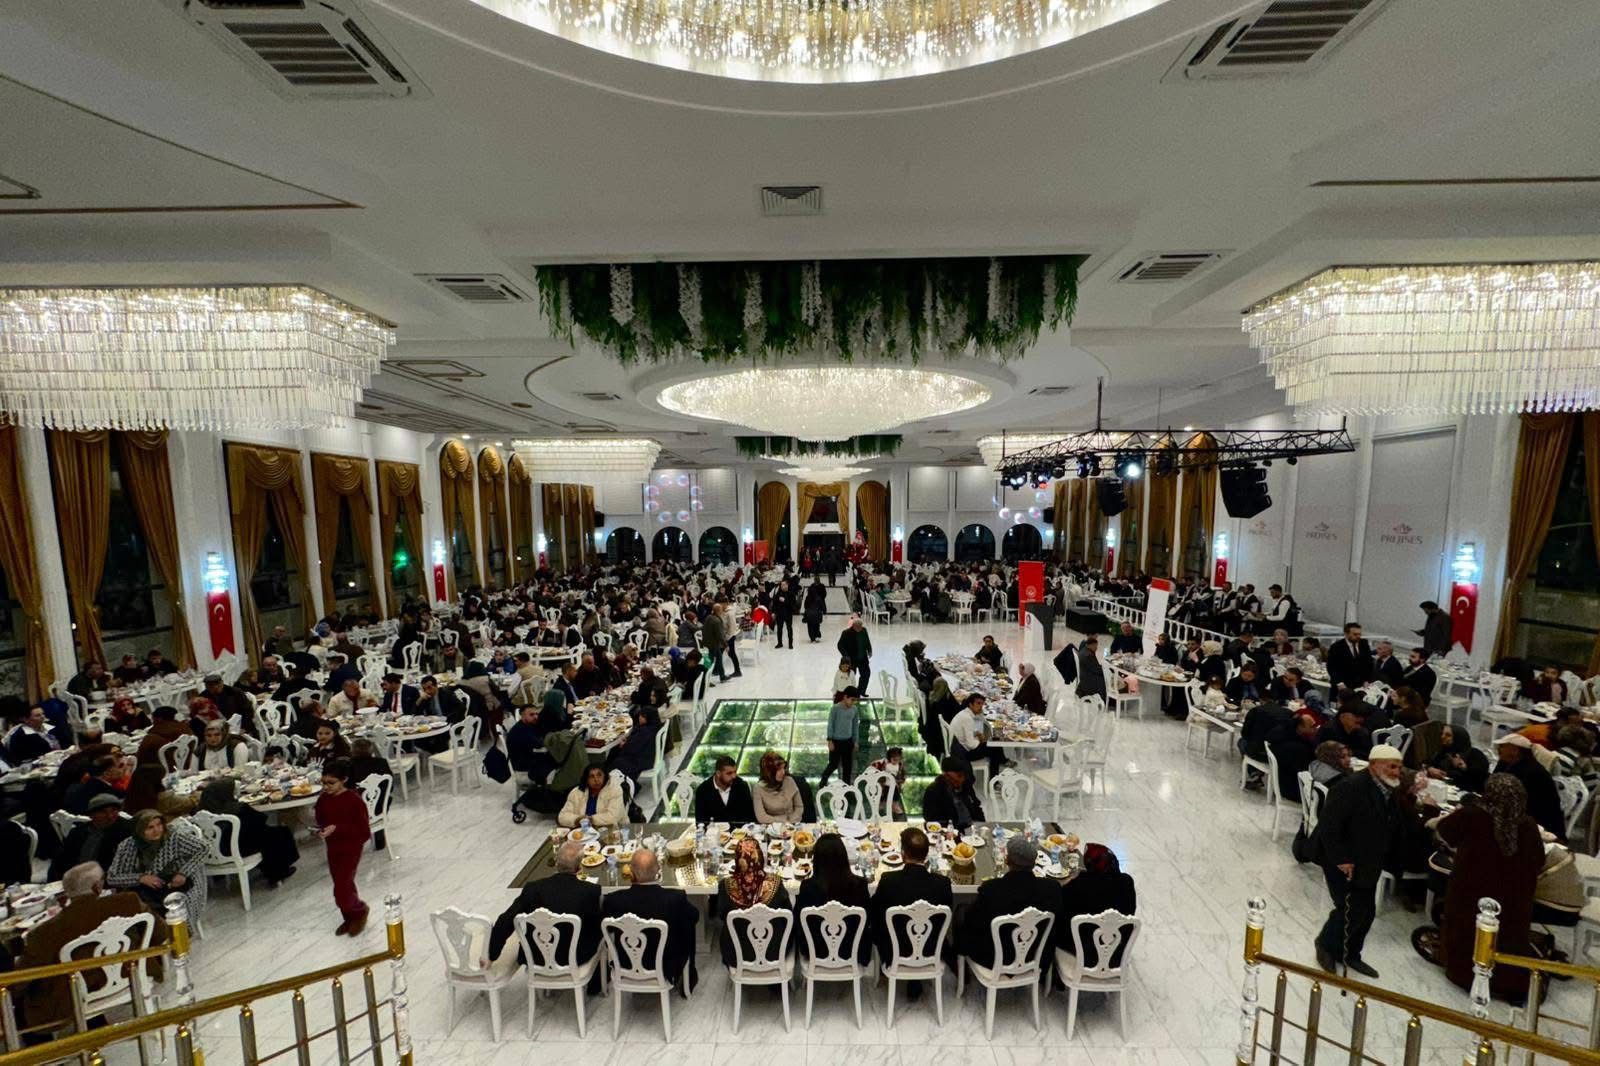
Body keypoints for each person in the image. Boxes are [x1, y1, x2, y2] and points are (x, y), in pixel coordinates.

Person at [17, 862, 168, 1033]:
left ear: (66, 893)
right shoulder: (127, 901)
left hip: (75, 995)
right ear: (97, 886)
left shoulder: (44, 932)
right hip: (130, 973)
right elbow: (161, 933)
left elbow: (21, 978)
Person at [1435, 774, 1544, 1002]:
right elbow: (1539, 860)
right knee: (1509, 937)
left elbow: (1444, 830)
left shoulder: (1473, 815)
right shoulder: (1528, 825)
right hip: (1515, 899)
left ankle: (1464, 975)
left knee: (1467, 930)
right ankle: (1508, 982)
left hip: (1471, 891)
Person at [1310, 743, 1403, 978]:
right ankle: (1325, 946)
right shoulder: (1350, 787)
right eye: (1391, 767)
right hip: (1343, 859)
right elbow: (1329, 826)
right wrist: (1341, 859)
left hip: (1368, 859)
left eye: (1399, 768)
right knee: (1347, 907)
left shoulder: (1389, 789)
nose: (1396, 772)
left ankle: (1351, 953)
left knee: (1366, 911)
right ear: (1374, 765)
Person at [487, 840, 603, 976]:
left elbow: (505, 920)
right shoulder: (590, 891)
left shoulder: (532, 888)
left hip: (536, 956)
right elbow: (595, 927)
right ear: (579, 867)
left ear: (556, 863)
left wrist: (491, 955)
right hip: (576, 956)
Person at [603, 849, 700, 993]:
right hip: (666, 965)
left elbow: (608, 930)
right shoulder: (674, 898)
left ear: (631, 871)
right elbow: (695, 916)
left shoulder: (614, 900)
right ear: (658, 869)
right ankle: (689, 976)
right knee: (686, 924)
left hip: (625, 963)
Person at [870, 826, 954, 991]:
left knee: (878, 919)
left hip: (894, 951)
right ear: (926, 855)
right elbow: (944, 920)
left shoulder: (889, 881)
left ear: (903, 854)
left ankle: (885, 972)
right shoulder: (942, 884)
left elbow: (875, 913)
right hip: (930, 949)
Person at [959, 836, 1061, 969]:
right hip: (1035, 956)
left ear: (1007, 860)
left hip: (992, 958)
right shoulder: (1052, 888)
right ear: (1034, 863)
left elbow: (973, 921)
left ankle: (958, 963)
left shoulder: (992, 889)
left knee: (961, 912)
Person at [198, 777, 299, 886]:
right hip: (237, 850)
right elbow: (260, 820)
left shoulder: (200, 813)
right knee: (278, 833)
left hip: (216, 852)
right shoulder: (237, 808)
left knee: (263, 835)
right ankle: (278, 873)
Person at [107, 809, 208, 915]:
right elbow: (112, 878)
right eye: (150, 827)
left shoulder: (173, 838)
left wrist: (183, 873)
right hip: (142, 890)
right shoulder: (128, 846)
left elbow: (204, 847)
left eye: (159, 825)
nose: (157, 830)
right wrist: (141, 878)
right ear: (139, 830)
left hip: (172, 886)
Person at [1056, 843, 1137, 966]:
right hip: (1116, 950)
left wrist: (1069, 881)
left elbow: (1060, 901)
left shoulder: (1081, 884)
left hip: (1083, 949)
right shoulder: (1127, 881)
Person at [715, 837, 791, 967]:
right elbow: (788, 915)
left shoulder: (725, 885)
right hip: (773, 952)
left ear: (737, 860)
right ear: (760, 858)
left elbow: (722, 916)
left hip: (737, 954)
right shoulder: (776, 883)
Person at [795, 833, 871, 962]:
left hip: (816, 952)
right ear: (844, 857)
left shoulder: (808, 887)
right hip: (852, 951)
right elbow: (868, 919)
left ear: (816, 860)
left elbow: (799, 920)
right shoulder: (859, 885)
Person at [1492, 734, 1564, 838]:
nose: (1498, 749)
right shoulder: (1504, 763)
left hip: (1537, 825)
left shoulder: (1534, 772)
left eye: (1502, 746)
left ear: (1515, 751)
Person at [49, 793, 132, 881]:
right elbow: (60, 861)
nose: (110, 816)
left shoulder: (125, 833)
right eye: (103, 812)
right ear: (91, 814)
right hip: (73, 880)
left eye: (114, 810)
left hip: (105, 882)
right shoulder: (78, 832)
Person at [921, 757, 985, 831]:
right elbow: (931, 819)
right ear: (946, 775)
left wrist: (982, 825)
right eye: (959, 776)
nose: (962, 779)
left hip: (972, 828)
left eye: (963, 776)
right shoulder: (934, 791)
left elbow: (976, 807)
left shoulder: (966, 785)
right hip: (950, 830)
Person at [604, 704, 662, 785]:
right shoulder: (652, 726)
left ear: (648, 718)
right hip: (646, 755)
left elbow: (634, 748)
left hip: (643, 760)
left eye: (642, 716)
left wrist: (624, 744)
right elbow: (637, 742)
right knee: (615, 750)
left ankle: (611, 780)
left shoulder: (646, 731)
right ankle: (605, 771)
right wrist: (627, 741)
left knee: (617, 760)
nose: (639, 717)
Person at [949, 693, 1003, 779]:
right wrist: (980, 740)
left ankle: (1002, 761)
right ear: (970, 704)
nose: (980, 706)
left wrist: (977, 734)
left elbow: (967, 732)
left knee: (994, 744)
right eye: (978, 703)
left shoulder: (964, 713)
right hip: (963, 753)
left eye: (982, 704)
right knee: (995, 748)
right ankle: (994, 780)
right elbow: (971, 744)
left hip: (958, 747)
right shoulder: (967, 718)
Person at [1426, 724, 1489, 793]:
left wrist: (1464, 768)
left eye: (1448, 735)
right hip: (1440, 788)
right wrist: (1430, 769)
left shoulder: (1476, 755)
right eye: (1442, 734)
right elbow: (1428, 763)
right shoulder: (1444, 751)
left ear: (1458, 738)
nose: (1442, 737)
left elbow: (1479, 778)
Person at [818, 686, 861, 787]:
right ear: (845, 697)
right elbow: (830, 725)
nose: (853, 702)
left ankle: (846, 786)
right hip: (836, 742)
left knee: (847, 766)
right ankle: (824, 779)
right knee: (833, 764)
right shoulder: (835, 709)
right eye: (852, 700)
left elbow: (855, 726)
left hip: (848, 742)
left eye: (855, 700)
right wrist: (830, 740)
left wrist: (855, 741)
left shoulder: (854, 710)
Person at [559, 765, 625, 828]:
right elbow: (562, 816)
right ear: (586, 779)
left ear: (605, 776)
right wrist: (577, 820)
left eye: (599, 775)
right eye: (591, 776)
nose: (596, 779)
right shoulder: (576, 792)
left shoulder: (614, 790)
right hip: (583, 831)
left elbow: (613, 817)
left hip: (613, 830)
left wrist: (591, 819)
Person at [694, 755, 755, 823]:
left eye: (735, 772)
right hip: (713, 829)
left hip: (739, 829)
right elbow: (700, 821)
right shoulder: (703, 790)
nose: (734, 776)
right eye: (729, 773)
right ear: (718, 773)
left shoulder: (742, 786)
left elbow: (749, 816)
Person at [203, 673, 258, 738]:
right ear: (207, 687)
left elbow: (248, 711)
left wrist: (244, 728)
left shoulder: (235, 692)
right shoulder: (204, 697)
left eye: (218, 685)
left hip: (241, 725)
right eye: (211, 687)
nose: (216, 687)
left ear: (222, 683)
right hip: (217, 729)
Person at [754, 750, 803, 824]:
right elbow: (761, 817)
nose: (783, 772)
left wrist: (790, 822)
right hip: (772, 827)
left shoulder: (789, 781)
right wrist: (783, 821)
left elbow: (799, 807)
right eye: (779, 769)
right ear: (769, 772)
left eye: (783, 768)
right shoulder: (758, 788)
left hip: (793, 824)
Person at [1324, 623, 1374, 694]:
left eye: (1359, 634)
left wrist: (1367, 680)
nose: (1358, 636)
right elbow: (1331, 667)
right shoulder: (1336, 647)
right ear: (1346, 634)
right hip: (1342, 685)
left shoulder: (1364, 644)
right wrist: (1339, 683)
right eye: (1355, 634)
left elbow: (1369, 663)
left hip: (1360, 686)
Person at [921, 678, 958, 758]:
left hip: (931, 732)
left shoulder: (932, 697)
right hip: (942, 734)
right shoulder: (945, 700)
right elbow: (956, 711)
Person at [836, 616, 873, 697]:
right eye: (858, 627)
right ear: (853, 626)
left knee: (866, 674)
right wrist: (846, 656)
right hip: (851, 659)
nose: (860, 628)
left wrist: (869, 650)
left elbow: (867, 640)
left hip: (863, 658)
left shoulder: (864, 630)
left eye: (861, 626)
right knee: (850, 677)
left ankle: (861, 691)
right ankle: (850, 693)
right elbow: (840, 645)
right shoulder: (846, 633)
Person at [1075, 636, 1108, 700]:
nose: (1096, 648)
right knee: (1107, 679)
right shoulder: (1088, 655)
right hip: (1089, 680)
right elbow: (1096, 669)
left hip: (1085, 676)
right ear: (1091, 645)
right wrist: (1107, 669)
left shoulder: (1084, 650)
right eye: (1095, 646)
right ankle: (1106, 699)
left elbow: (1094, 667)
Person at [771, 579, 797, 650]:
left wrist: (785, 601)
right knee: (779, 629)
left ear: (787, 585)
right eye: (781, 585)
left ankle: (790, 643)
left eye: (784, 585)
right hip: (779, 614)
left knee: (789, 629)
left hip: (788, 614)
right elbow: (774, 604)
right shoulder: (778, 593)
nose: (782, 586)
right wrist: (773, 612)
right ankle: (779, 643)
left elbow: (793, 606)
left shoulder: (791, 594)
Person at [802, 578, 828, 643]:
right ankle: (817, 636)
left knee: (810, 626)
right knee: (816, 626)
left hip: (810, 614)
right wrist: (824, 611)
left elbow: (805, 606)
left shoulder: (808, 597)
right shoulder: (818, 598)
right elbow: (822, 604)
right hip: (817, 614)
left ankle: (812, 638)